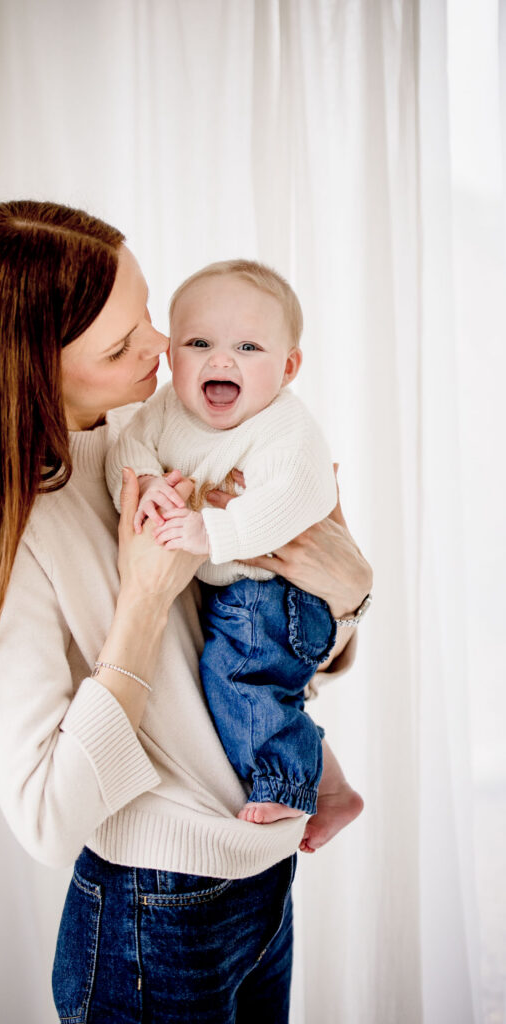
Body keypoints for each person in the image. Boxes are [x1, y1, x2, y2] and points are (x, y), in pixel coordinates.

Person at [0, 201, 372, 1024]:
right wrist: (144, 599)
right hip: (152, 919)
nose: (164, 348)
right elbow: (48, 821)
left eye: (148, 316)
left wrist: (349, 593)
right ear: (34, 365)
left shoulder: (156, 428)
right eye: (122, 345)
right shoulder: (4, 538)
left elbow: (253, 634)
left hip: (262, 877)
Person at [106, 260, 367, 840]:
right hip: (236, 595)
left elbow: (299, 496)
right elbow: (127, 450)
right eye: (199, 343)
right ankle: (331, 790)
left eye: (248, 347)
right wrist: (146, 483)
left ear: (289, 366)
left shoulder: (284, 426)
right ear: (172, 355)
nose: (220, 361)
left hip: (278, 595)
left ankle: (285, 786)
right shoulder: (163, 409)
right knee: (255, 693)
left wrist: (213, 533)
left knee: (241, 677)